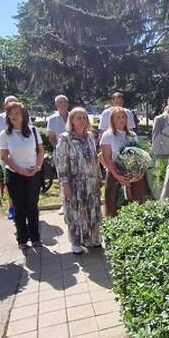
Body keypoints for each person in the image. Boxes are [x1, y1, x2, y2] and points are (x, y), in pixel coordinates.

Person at [55, 107, 102, 254]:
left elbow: (94, 159)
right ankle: (75, 242)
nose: (82, 120)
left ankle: (92, 239)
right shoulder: (65, 138)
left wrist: (99, 177)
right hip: (74, 183)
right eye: (78, 118)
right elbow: (61, 163)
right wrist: (65, 185)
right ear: (72, 121)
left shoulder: (90, 136)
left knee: (92, 211)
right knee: (75, 213)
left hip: (91, 181)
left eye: (84, 117)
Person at [0, 102, 44, 250]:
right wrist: (19, 170)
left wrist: (38, 166)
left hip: (33, 174)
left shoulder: (33, 131)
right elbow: (4, 156)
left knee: (32, 206)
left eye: (17, 113)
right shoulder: (5, 134)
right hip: (15, 175)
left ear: (23, 115)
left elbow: (40, 151)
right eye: (10, 113)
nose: (13, 116)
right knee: (19, 208)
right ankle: (22, 239)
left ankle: (35, 237)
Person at [100, 107, 146, 216]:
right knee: (114, 206)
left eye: (123, 117)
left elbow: (139, 155)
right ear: (113, 119)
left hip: (134, 176)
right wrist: (118, 176)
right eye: (118, 117)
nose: (121, 119)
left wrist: (140, 173)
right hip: (115, 175)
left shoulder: (132, 135)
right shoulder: (107, 135)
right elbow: (107, 159)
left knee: (136, 206)